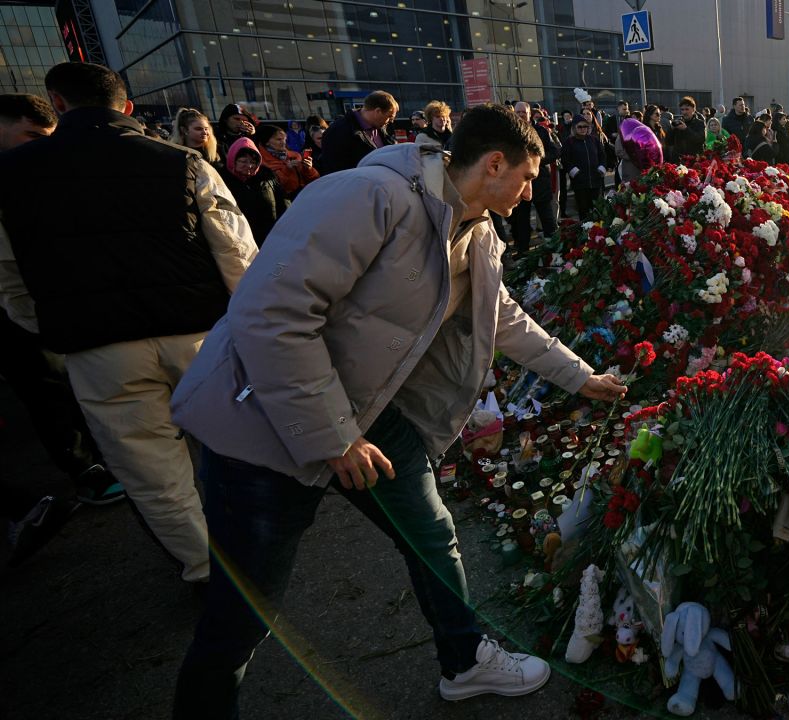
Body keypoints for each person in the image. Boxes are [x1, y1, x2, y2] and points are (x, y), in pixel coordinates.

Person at [169, 103, 626, 716]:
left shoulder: (478, 229)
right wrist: (335, 437)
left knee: (430, 533)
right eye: (527, 177)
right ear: (494, 165)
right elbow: (270, 316)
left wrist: (580, 378)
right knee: (243, 617)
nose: (533, 191)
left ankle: (464, 662)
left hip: (366, 409)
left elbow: (504, 320)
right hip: (260, 419)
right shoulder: (367, 197)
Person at [0, 62, 258, 584]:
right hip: (198, 334)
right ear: (128, 107)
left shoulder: (10, 176)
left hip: (98, 347)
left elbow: (9, 281)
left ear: (59, 103)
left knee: (152, 471)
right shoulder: (182, 163)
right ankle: (258, 543)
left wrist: (55, 325)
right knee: (237, 443)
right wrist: (246, 323)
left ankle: (208, 569)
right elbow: (237, 255)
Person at [0, 93, 126, 565]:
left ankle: (98, 453)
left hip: (54, 299)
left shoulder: (33, 171)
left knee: (71, 378)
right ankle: (84, 468)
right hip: (18, 309)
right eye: (30, 136)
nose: (38, 147)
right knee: (43, 384)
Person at [509, 101, 559, 255]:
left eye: (523, 112)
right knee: (521, 220)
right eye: (518, 112)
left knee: (547, 219)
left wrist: (535, 162)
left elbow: (555, 151)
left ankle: (555, 250)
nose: (521, 115)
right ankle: (523, 250)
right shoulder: (509, 133)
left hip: (539, 181)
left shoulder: (541, 131)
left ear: (530, 113)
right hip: (519, 183)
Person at [219, 138, 289, 244]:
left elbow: (283, 202)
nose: (249, 166)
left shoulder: (266, 177)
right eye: (243, 161)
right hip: (237, 240)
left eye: (253, 162)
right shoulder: (221, 179)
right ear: (233, 159)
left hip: (269, 238)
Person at [318, 90, 398, 174]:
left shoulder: (380, 127)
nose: (391, 121)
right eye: (389, 117)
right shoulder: (338, 131)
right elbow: (336, 170)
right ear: (377, 111)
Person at [561, 113, 607, 219]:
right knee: (583, 210)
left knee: (597, 209)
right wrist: (575, 172)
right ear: (574, 128)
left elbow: (602, 155)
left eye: (585, 126)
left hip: (596, 180)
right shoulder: (569, 142)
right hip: (580, 182)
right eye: (580, 127)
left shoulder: (594, 140)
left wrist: (602, 168)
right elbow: (566, 160)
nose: (583, 129)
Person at [256, 123, 318, 198]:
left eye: (285, 139)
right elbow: (271, 187)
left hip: (304, 197)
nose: (283, 143)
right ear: (266, 142)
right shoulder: (260, 161)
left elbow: (315, 179)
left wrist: (308, 169)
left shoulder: (295, 155)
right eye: (279, 139)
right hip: (283, 202)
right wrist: (287, 170)